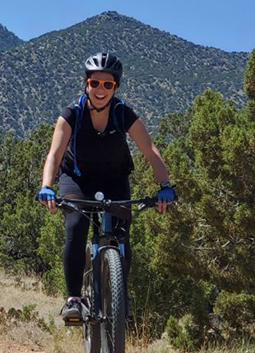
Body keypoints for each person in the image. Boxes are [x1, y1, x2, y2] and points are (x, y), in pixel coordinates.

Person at [37, 52, 175, 322]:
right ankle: (73, 299)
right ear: (86, 84)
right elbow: (54, 154)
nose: (100, 89)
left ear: (116, 87)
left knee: (122, 235)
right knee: (76, 226)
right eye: (95, 83)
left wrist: (165, 185)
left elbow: (150, 151)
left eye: (108, 84)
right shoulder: (72, 114)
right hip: (76, 179)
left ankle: (119, 295)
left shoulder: (123, 113)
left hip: (114, 179)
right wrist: (46, 186)